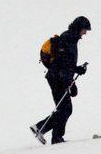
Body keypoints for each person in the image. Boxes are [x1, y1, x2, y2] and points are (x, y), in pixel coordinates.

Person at [30, 16, 91, 144]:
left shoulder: (71, 38)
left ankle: (52, 134)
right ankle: (46, 131)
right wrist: (76, 70)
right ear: (79, 27)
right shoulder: (68, 38)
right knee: (65, 109)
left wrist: (74, 75)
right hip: (57, 78)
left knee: (64, 109)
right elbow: (62, 63)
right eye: (85, 30)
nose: (85, 33)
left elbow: (66, 63)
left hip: (59, 77)